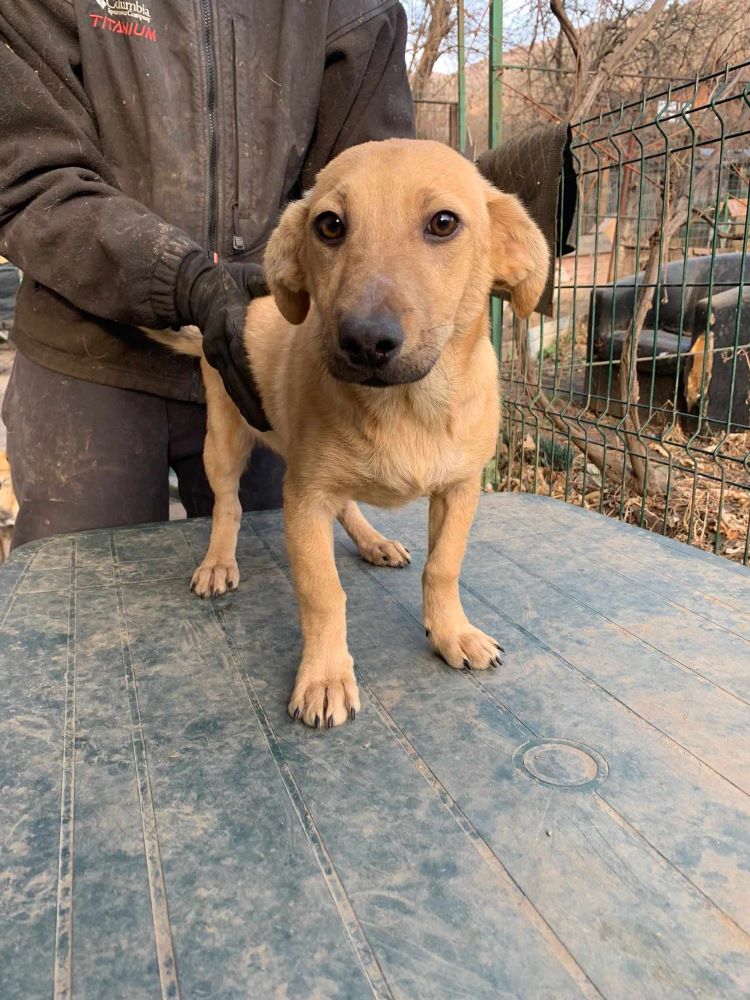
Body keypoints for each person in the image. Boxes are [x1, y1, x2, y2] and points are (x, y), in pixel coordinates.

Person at [0, 1, 415, 549]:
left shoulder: (355, 7)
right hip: (85, 351)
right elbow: (30, 175)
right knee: (86, 600)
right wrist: (184, 278)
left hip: (266, 348)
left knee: (273, 591)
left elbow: (377, 182)